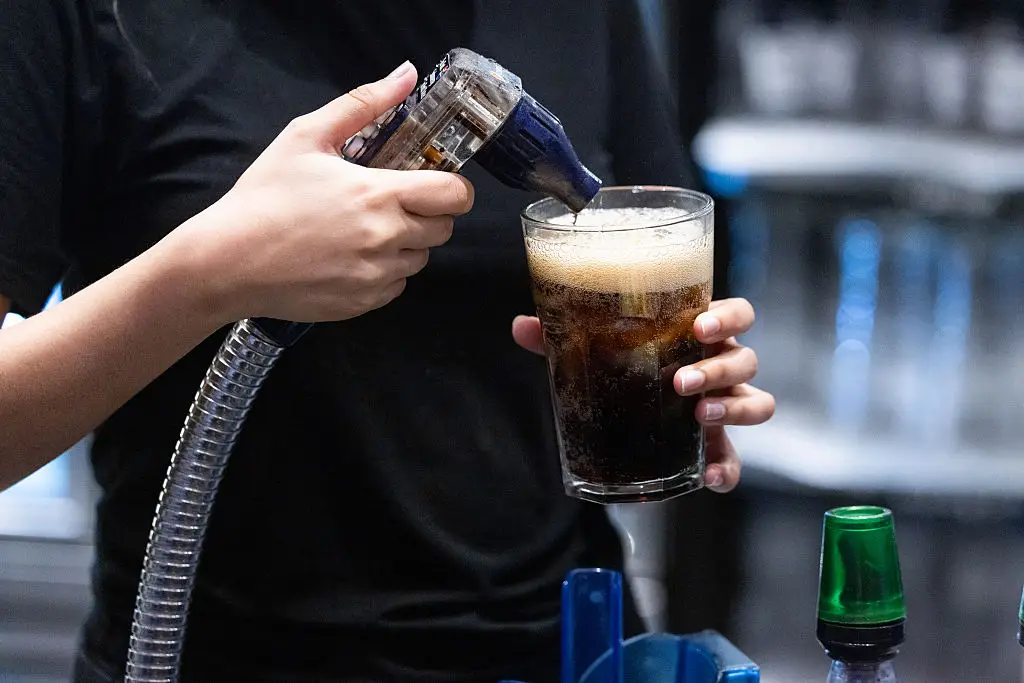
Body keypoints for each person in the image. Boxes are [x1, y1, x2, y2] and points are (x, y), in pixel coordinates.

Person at [0, 1, 775, 681]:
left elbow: (642, 242)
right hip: (210, 654)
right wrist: (207, 271)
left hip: (560, 645)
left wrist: (691, 375)